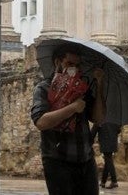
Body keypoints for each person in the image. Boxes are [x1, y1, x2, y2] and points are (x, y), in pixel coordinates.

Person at [31, 44, 106, 195]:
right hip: (57, 160)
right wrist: (72, 108)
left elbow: (98, 118)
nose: (74, 69)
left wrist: (99, 85)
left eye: (78, 65)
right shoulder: (44, 88)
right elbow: (41, 122)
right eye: (70, 64)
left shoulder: (83, 89)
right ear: (58, 62)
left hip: (85, 158)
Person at [92, 122, 121, 189]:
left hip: (104, 140)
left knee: (109, 160)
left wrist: (91, 137)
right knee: (108, 160)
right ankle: (103, 181)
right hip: (113, 141)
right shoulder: (114, 117)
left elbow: (95, 128)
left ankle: (114, 181)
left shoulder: (101, 116)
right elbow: (119, 129)